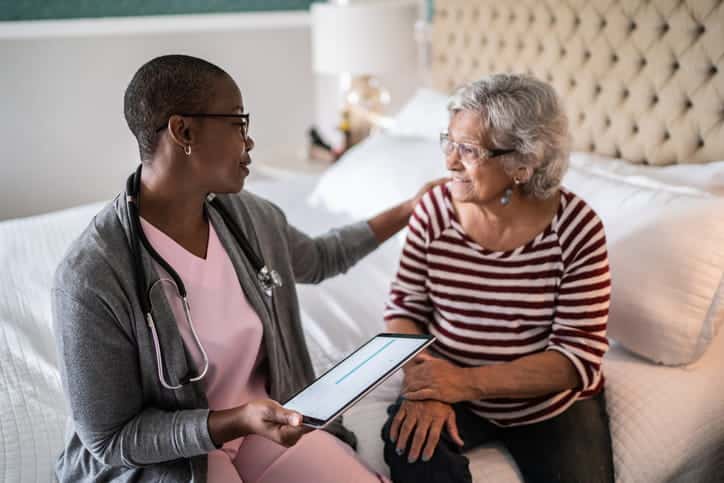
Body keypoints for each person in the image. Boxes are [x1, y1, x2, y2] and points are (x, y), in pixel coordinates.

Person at [52, 54, 438, 483]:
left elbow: (321, 257)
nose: (249, 141)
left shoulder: (250, 219)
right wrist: (233, 421)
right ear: (184, 131)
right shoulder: (91, 277)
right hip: (173, 458)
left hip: (263, 429)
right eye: (238, 122)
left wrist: (407, 209)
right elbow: (110, 440)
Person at [380, 74, 615, 483]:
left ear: (522, 162)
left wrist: (461, 384)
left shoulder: (578, 230)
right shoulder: (434, 211)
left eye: (468, 150)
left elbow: (577, 358)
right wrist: (429, 382)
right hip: (448, 383)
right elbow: (404, 309)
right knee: (412, 453)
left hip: (548, 405)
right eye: (448, 142)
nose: (450, 161)